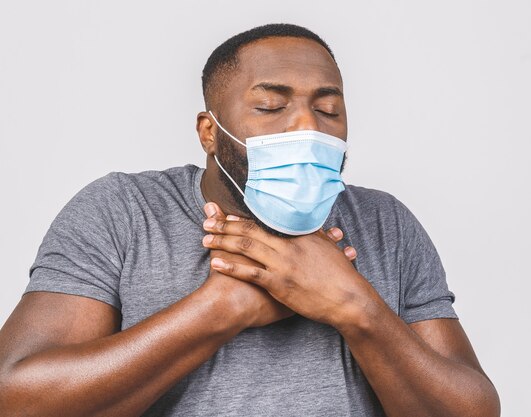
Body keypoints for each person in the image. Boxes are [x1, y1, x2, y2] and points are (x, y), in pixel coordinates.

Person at [0, 23, 500, 417]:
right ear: (208, 132)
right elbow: (17, 399)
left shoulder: (385, 222)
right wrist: (223, 308)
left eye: (329, 110)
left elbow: (472, 410)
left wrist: (355, 307)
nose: (307, 126)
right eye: (270, 105)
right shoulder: (122, 211)